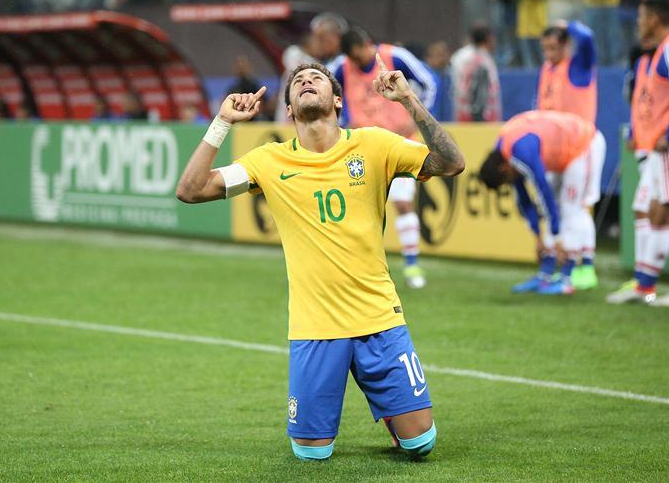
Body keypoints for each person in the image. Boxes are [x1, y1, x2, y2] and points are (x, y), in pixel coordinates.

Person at [176, 57, 466, 461]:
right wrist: (222, 122)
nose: (307, 81)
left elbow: (452, 163)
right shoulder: (268, 161)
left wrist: (409, 100)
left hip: (379, 319)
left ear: (338, 100)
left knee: (421, 444)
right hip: (314, 327)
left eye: (316, 78)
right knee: (312, 454)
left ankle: (392, 413)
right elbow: (190, 191)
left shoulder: (376, 144)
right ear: (290, 107)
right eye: (298, 81)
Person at [606, 0, 669, 307]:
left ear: (652, 18)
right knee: (658, 213)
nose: (638, 22)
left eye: (641, 15)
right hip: (667, 144)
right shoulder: (661, 52)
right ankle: (646, 285)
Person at [330, 28, 439, 289]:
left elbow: (430, 82)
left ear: (368, 44)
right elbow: (329, 98)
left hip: (399, 144)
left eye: (360, 56)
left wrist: (419, 116)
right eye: (353, 59)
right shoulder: (340, 67)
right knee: (356, 208)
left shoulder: (395, 57)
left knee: (402, 202)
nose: (358, 63)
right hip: (361, 148)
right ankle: (356, 268)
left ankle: (412, 264)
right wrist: (343, 125)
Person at [479, 110, 604, 295]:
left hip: (584, 144)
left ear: (503, 168)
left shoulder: (521, 152)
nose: (510, 182)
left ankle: (567, 278)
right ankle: (545, 275)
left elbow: (543, 191)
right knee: (555, 209)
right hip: (562, 153)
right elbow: (524, 199)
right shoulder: (504, 152)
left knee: (571, 209)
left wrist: (557, 237)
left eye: (506, 180)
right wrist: (538, 237)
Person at [536, 20, 606, 290]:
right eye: (545, 49)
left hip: (581, 145)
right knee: (556, 205)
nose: (549, 54)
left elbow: (588, 39)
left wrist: (568, 24)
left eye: (554, 48)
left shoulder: (578, 66)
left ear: (565, 45)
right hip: (555, 148)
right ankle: (569, 265)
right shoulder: (547, 69)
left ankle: (578, 268)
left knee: (573, 207)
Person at [450, 25, 502, 123]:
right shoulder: (482, 61)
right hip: (480, 117)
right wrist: (479, 115)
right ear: (488, 38)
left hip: (462, 112)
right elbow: (481, 92)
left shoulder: (460, 55)